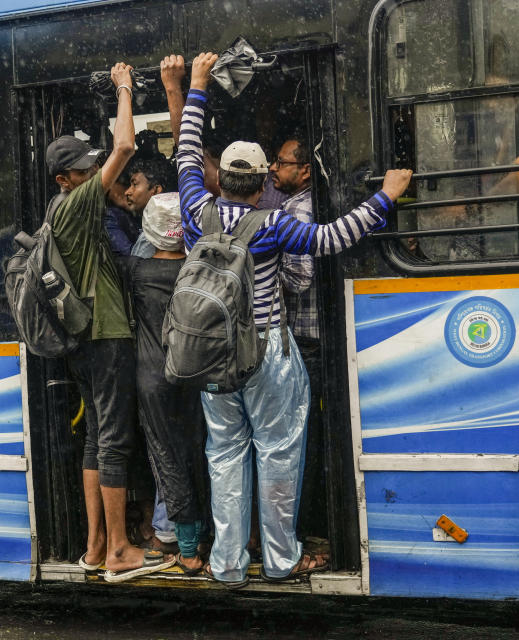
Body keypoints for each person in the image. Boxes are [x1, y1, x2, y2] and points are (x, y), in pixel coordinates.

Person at [177, 52, 412, 587]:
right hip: (266, 354)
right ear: (262, 183)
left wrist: (196, 86)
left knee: (225, 459)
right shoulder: (273, 224)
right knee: (278, 457)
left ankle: (229, 564)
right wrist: (386, 196)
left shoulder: (196, 209)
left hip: (212, 358)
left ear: (223, 181)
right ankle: (281, 560)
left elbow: (187, 154)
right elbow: (333, 237)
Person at [46, 62, 174, 582]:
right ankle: (121, 549)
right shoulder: (75, 204)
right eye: (83, 170)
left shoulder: (65, 206)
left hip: (86, 340)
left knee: (98, 439)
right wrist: (125, 89)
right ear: (65, 179)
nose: (96, 174)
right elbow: (123, 149)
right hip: (106, 335)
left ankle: (97, 545)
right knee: (116, 438)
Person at [122, 192, 209, 575]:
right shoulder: (198, 271)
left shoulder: (135, 271)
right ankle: (206, 536)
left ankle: (185, 549)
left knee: (167, 460)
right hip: (194, 375)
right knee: (199, 455)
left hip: (152, 378)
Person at [271, 138, 327, 540]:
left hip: (306, 343)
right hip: (310, 341)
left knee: (296, 440)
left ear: (304, 170)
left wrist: (261, 276)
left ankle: (303, 528)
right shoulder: (298, 205)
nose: (274, 168)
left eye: (281, 162)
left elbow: (300, 276)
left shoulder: (297, 210)